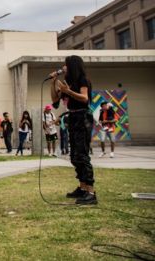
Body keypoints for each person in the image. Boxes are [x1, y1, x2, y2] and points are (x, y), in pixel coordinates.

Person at [50, 55, 97, 205]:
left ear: (72, 66)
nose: (63, 67)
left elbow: (84, 99)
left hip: (83, 118)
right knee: (75, 156)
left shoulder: (83, 80)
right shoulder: (67, 83)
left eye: (66, 65)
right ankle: (82, 188)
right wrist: (53, 83)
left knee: (82, 155)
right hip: (73, 118)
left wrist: (68, 91)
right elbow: (55, 102)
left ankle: (91, 192)